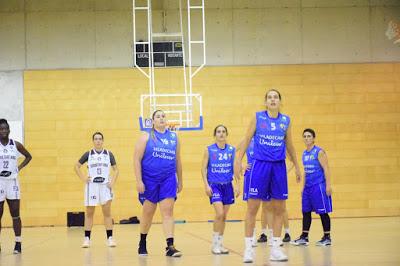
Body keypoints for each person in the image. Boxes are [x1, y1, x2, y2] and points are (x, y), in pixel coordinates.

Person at [234, 89, 301, 263]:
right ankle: (248, 248)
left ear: (280, 101)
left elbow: (291, 145)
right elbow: (247, 139)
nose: (273, 100)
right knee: (253, 208)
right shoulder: (258, 117)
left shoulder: (286, 120)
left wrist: (298, 167)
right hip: (259, 166)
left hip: (278, 167)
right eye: (269, 97)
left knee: (279, 209)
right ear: (265, 102)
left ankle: (276, 248)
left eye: (276, 97)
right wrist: (239, 162)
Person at [134, 110, 183, 257]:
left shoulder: (174, 138)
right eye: (158, 116)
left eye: (163, 116)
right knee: (148, 212)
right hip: (149, 180)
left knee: (168, 212)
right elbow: (136, 159)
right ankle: (142, 242)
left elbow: (178, 160)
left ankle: (170, 245)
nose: (161, 118)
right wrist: (139, 180)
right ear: (153, 121)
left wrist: (180, 180)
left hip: (168, 179)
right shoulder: (146, 137)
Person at [74, 132, 119, 248]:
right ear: (93, 141)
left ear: (103, 141)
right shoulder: (88, 154)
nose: (98, 141)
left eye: (100, 139)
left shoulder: (109, 154)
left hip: (105, 186)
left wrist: (112, 182)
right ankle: (87, 239)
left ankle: (110, 238)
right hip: (92, 186)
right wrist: (84, 178)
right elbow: (76, 166)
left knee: (107, 213)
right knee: (89, 213)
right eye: (96, 139)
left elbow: (116, 170)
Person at [201, 125, 240, 255]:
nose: (221, 134)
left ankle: (220, 243)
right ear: (215, 135)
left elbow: (234, 169)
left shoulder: (231, 150)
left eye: (223, 131)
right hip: (215, 185)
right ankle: (215, 243)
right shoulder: (209, 150)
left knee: (224, 216)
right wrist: (206, 185)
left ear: (226, 134)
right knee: (219, 214)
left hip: (227, 185)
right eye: (218, 132)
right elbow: (203, 169)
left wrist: (237, 184)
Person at [291, 128, 332, 246]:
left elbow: (326, 168)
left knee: (323, 212)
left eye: (309, 136)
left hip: (318, 186)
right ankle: (304, 237)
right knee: (306, 211)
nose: (306, 138)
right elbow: (305, 171)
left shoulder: (319, 152)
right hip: (308, 187)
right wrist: (302, 188)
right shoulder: (304, 153)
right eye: (304, 136)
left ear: (313, 138)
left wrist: (328, 185)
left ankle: (327, 237)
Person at [0, 118, 32, 254]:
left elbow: (28, 156)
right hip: (0, 181)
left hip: (12, 182)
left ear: (9, 130)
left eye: (5, 128)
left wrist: (19, 168)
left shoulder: (16, 145)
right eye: (1, 129)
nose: (4, 131)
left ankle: (18, 243)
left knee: (15, 214)